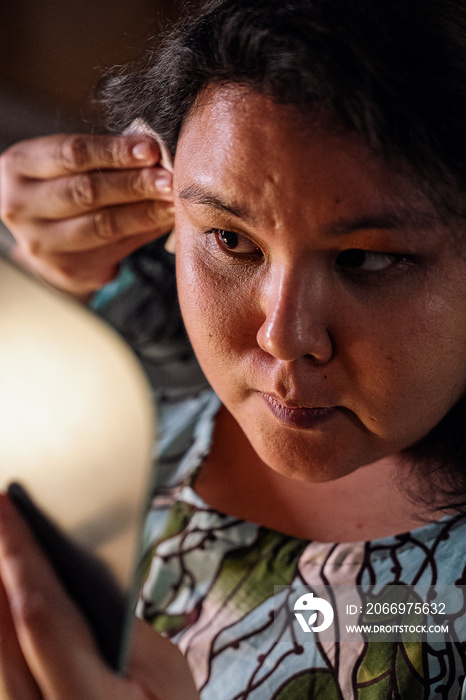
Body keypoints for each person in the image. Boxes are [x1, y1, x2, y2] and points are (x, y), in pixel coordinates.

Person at [1, 0, 466, 697]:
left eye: (366, 260)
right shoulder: (125, 359)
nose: (283, 336)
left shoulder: (426, 605)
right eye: (232, 240)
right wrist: (41, 288)